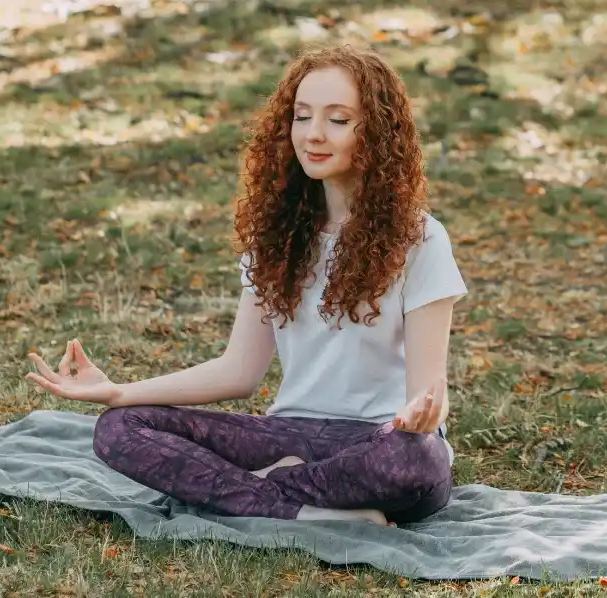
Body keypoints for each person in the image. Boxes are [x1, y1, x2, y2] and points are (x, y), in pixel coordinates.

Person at [26, 43, 468, 527]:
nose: (314, 134)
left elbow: (430, 392)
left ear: (379, 133)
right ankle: (308, 512)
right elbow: (239, 371)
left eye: (338, 120)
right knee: (120, 429)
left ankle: (252, 494)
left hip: (380, 443)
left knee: (416, 460)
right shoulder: (277, 236)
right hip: (288, 435)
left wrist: (418, 417)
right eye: (302, 117)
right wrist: (118, 392)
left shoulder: (419, 238)